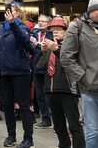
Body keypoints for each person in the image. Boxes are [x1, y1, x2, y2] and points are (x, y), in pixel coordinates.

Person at [36, 17, 85, 148]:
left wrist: (56, 49)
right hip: (50, 90)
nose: (55, 32)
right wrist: (41, 52)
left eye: (59, 29)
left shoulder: (71, 46)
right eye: (52, 30)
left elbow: (70, 64)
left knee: (74, 125)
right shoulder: (49, 46)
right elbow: (38, 67)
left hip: (67, 90)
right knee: (58, 125)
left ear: (66, 31)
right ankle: (64, 145)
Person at [0, 2, 35, 148]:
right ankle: (11, 136)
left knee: (23, 105)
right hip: (5, 72)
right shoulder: (2, 29)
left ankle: (28, 139)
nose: (9, 12)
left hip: (20, 72)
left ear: (18, 13)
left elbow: (23, 41)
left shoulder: (23, 27)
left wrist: (13, 24)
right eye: (8, 10)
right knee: (7, 105)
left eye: (13, 10)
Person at [61, 0, 98, 148]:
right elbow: (65, 56)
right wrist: (82, 76)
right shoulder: (77, 27)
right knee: (93, 130)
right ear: (91, 10)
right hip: (89, 87)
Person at [31, 15, 52, 129]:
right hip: (36, 67)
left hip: (49, 68)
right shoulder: (34, 34)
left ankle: (55, 120)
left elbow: (48, 48)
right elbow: (30, 49)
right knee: (39, 95)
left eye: (44, 21)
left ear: (49, 23)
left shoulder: (52, 34)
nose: (41, 23)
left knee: (50, 95)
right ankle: (46, 120)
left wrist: (37, 45)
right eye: (39, 21)